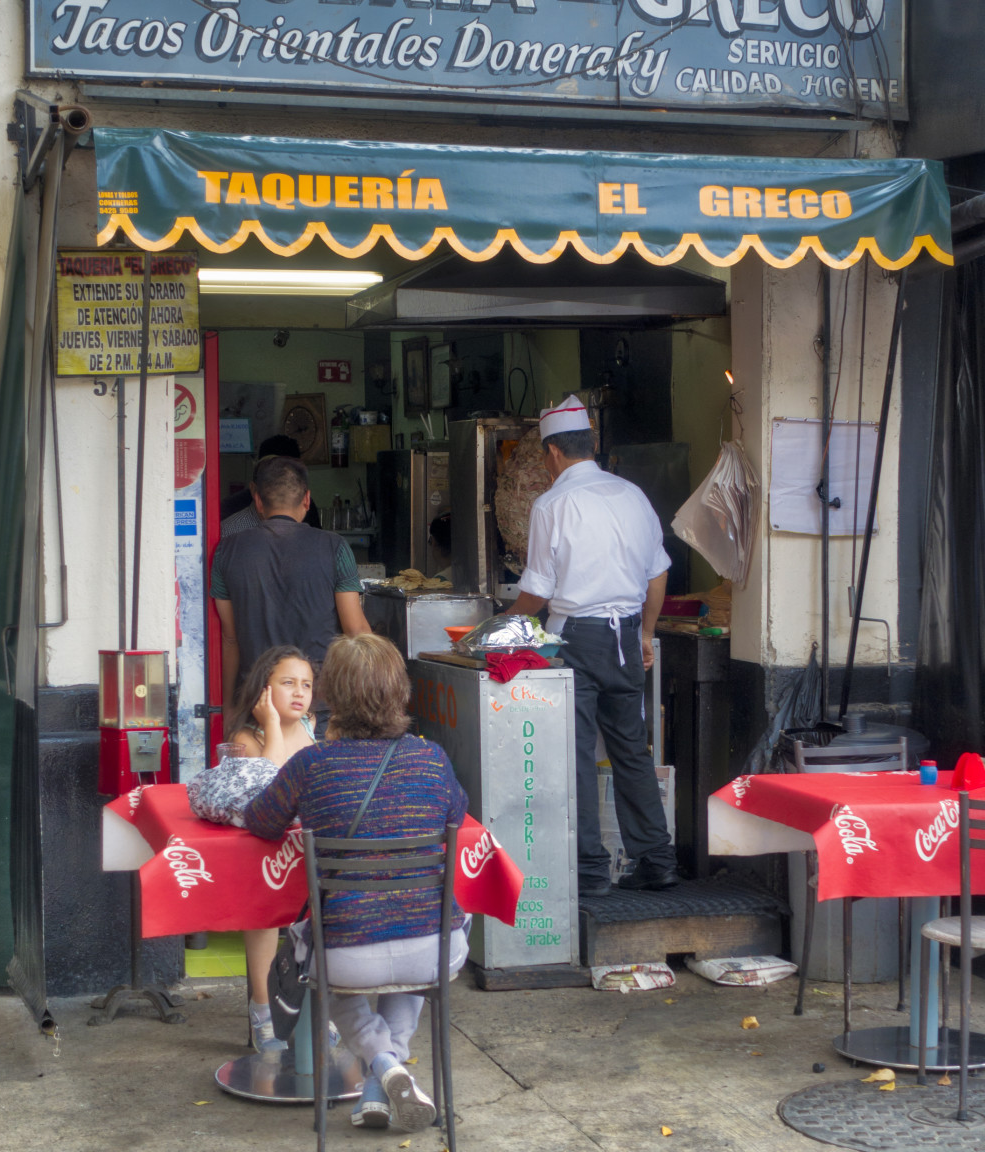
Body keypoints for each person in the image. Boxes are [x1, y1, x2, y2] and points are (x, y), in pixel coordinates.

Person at [244, 633, 469, 1132]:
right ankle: (383, 1078)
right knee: (420, 923)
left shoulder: (311, 766)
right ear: (399, 692)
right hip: (433, 949)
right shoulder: (432, 759)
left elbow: (260, 821)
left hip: (346, 956)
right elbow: (458, 809)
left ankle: (382, 1069)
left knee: (318, 959)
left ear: (332, 696)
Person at [507, 395, 680, 896]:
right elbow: (658, 572)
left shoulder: (552, 504)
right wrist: (645, 634)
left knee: (576, 754)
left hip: (576, 640)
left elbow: (537, 593)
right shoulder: (633, 495)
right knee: (631, 751)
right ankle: (657, 861)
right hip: (625, 636)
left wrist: (502, 624)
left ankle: (588, 871)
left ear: (553, 453)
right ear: (592, 446)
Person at [210, 455, 371, 721]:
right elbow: (356, 631)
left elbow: (230, 638)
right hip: (317, 702)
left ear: (259, 501)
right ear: (307, 499)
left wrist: (228, 706)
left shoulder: (226, 551)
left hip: (257, 700)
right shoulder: (335, 547)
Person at [224, 646, 318, 1053]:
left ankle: (316, 1012)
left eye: (307, 685)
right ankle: (262, 1011)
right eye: (287, 683)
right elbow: (266, 788)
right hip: (267, 849)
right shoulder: (248, 737)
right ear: (264, 690)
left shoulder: (316, 727)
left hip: (309, 845)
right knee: (263, 919)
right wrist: (274, 727)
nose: (300, 692)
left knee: (321, 921)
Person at [221, 434, 321, 536]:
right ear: (254, 490)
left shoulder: (308, 511)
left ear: (305, 499)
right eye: (270, 478)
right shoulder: (230, 528)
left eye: (286, 480)